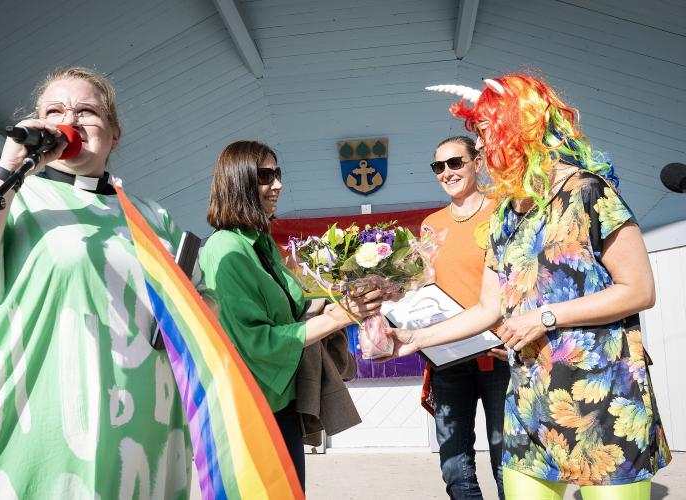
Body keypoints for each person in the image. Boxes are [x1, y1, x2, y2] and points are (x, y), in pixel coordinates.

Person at [0, 67, 192, 499]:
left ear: (114, 134)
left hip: (137, 440)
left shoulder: (152, 217)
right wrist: (7, 170)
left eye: (86, 111)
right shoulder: (2, 195)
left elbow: (197, 313)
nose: (68, 120)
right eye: (54, 111)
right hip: (31, 439)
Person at [389, 74, 671, 500]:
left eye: (485, 131)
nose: (480, 147)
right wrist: (414, 337)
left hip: (606, 399)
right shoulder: (504, 215)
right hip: (531, 402)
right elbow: (487, 308)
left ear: (520, 127)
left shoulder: (588, 192)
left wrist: (545, 316)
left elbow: (638, 290)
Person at [198, 140, 382, 489]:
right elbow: (255, 341)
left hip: (280, 401)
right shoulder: (226, 249)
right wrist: (337, 317)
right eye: (266, 175)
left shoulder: (261, 242)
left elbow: (288, 313)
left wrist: (329, 306)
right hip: (253, 409)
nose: (278, 184)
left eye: (278, 173)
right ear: (239, 181)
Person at [422, 135, 509, 500]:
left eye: (455, 162)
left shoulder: (504, 211)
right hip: (450, 356)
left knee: (508, 457)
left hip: (501, 353)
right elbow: (426, 286)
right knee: (455, 462)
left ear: (477, 162)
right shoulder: (430, 224)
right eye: (438, 166)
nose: (447, 172)